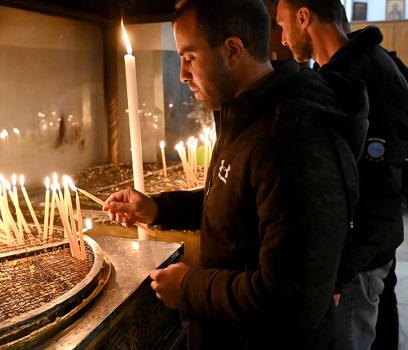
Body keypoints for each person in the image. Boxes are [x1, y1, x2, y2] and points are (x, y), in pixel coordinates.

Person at [104, 0, 368, 348]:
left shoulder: (291, 138)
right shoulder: (246, 115)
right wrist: (158, 208)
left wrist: (189, 288)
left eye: (189, 57)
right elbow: (235, 203)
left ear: (232, 50)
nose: (182, 74)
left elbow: (291, 298)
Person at [276, 0, 408, 349]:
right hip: (366, 256)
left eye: (283, 25)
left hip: (359, 264)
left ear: (304, 17)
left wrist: (340, 273)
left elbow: (377, 188)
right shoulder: (337, 72)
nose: (284, 38)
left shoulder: (369, 75)